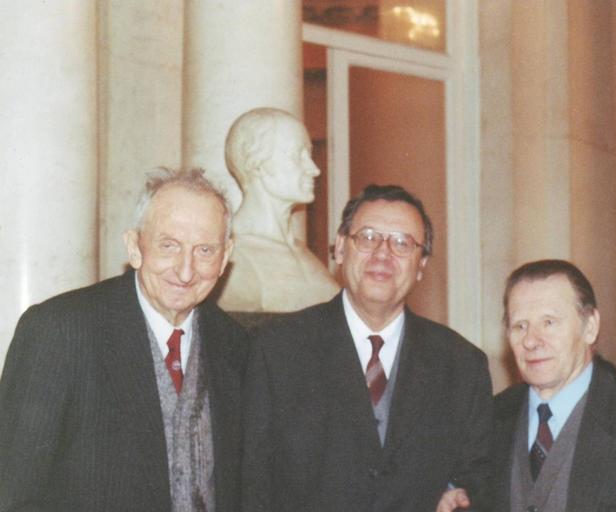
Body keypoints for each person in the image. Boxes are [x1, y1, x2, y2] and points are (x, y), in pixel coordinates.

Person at [0, 168, 249, 512]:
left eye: (205, 250)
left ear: (225, 257)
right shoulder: (60, 331)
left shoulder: (238, 346)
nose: (186, 271)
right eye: (169, 246)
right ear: (134, 247)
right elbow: (12, 494)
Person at [242, 184, 493, 512]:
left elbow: (477, 479)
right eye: (368, 237)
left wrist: (456, 494)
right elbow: (252, 483)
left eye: (402, 243)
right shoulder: (277, 350)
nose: (383, 254)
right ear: (340, 248)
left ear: (421, 265)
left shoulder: (461, 365)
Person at [441, 259, 616, 512]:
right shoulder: (489, 418)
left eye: (549, 322)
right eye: (520, 326)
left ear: (590, 327)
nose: (531, 341)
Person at [221, 106, 339, 312]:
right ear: (256, 164)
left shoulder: (306, 256)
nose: (314, 169)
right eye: (297, 155)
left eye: (309, 154)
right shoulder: (232, 257)